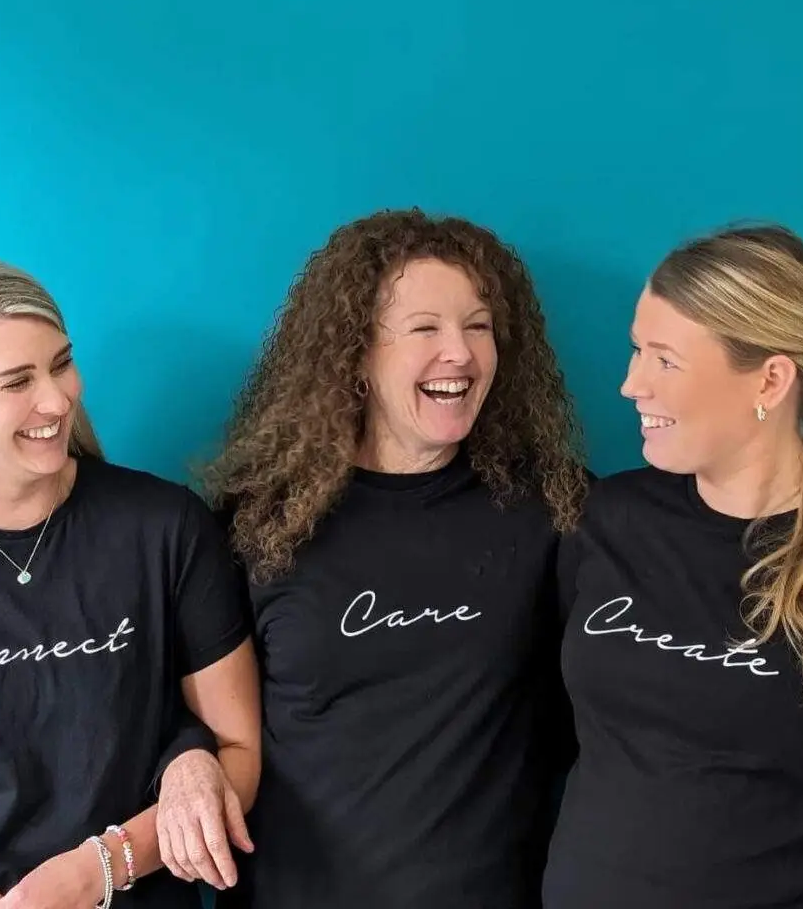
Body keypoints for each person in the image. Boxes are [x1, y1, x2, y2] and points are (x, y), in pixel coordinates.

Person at [0, 255, 260, 909]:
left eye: (61, 363)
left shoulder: (166, 528)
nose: (58, 398)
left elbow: (238, 753)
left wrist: (99, 869)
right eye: (17, 381)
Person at [201, 207, 588, 908]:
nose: (462, 354)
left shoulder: (553, 513)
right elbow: (193, 718)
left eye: (478, 326)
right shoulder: (258, 521)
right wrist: (184, 765)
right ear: (355, 353)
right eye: (424, 330)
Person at [544, 224, 803, 908]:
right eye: (637, 350)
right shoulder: (610, 518)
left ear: (771, 379)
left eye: (665, 360)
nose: (631, 384)